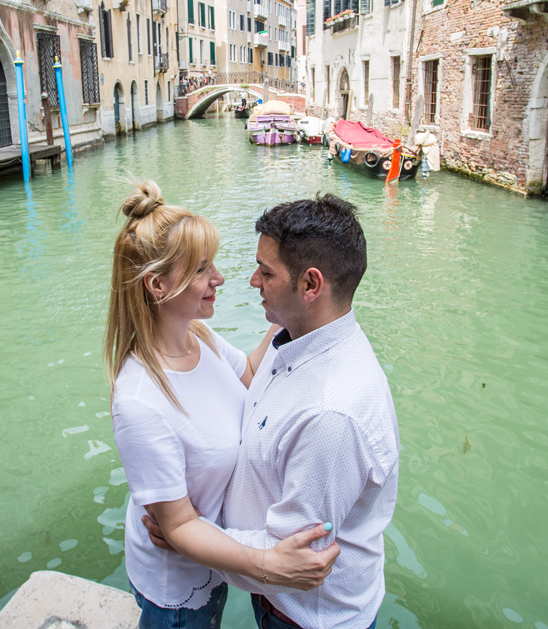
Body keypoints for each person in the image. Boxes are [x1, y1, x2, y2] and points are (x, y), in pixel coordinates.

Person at [144, 194, 399, 629]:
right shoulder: (296, 337)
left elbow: (290, 562)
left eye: (266, 272)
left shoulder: (330, 416)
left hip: (305, 618)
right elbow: (245, 375)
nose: (250, 281)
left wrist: (187, 535)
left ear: (311, 285)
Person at [106, 182, 339, 629]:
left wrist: (299, 315)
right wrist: (269, 564)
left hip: (216, 557)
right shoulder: (139, 403)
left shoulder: (199, 336)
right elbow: (177, 528)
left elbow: (250, 377)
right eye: (200, 269)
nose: (220, 278)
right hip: (178, 589)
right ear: (158, 285)